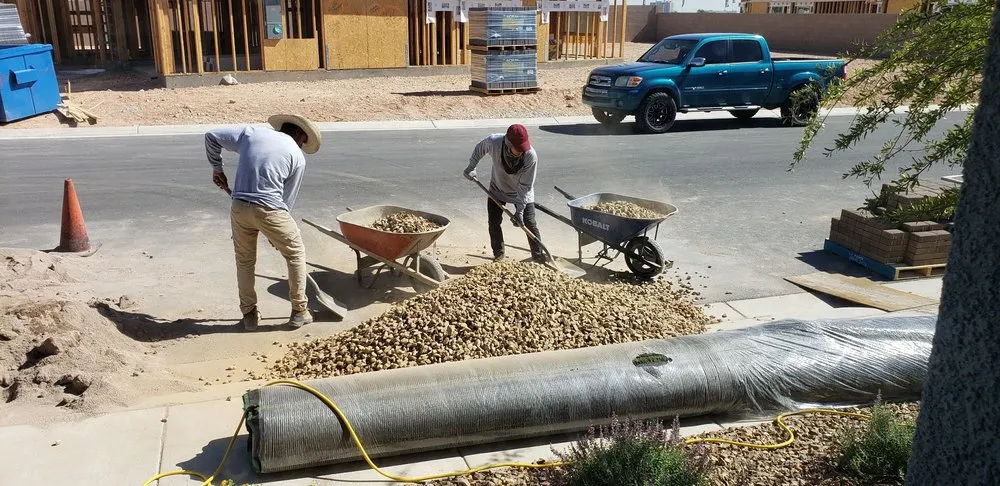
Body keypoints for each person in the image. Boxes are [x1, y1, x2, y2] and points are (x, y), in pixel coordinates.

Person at [204, 114, 322, 331]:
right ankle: (299, 311)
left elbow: (211, 136)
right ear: (300, 135)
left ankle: (249, 315)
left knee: (245, 262)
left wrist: (217, 168)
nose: (303, 145)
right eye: (304, 141)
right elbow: (286, 202)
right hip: (271, 210)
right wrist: (276, 236)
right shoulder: (297, 156)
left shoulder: (251, 133)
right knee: (295, 254)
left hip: (239, 207)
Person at [463, 124, 545, 263]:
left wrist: (519, 211)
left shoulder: (531, 156)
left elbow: (525, 187)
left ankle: (538, 256)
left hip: (522, 193)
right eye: (517, 148)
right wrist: (472, 166)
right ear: (508, 142)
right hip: (498, 188)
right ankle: (498, 254)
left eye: (522, 148)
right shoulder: (494, 142)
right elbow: (479, 149)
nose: (520, 152)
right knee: (494, 222)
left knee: (529, 223)